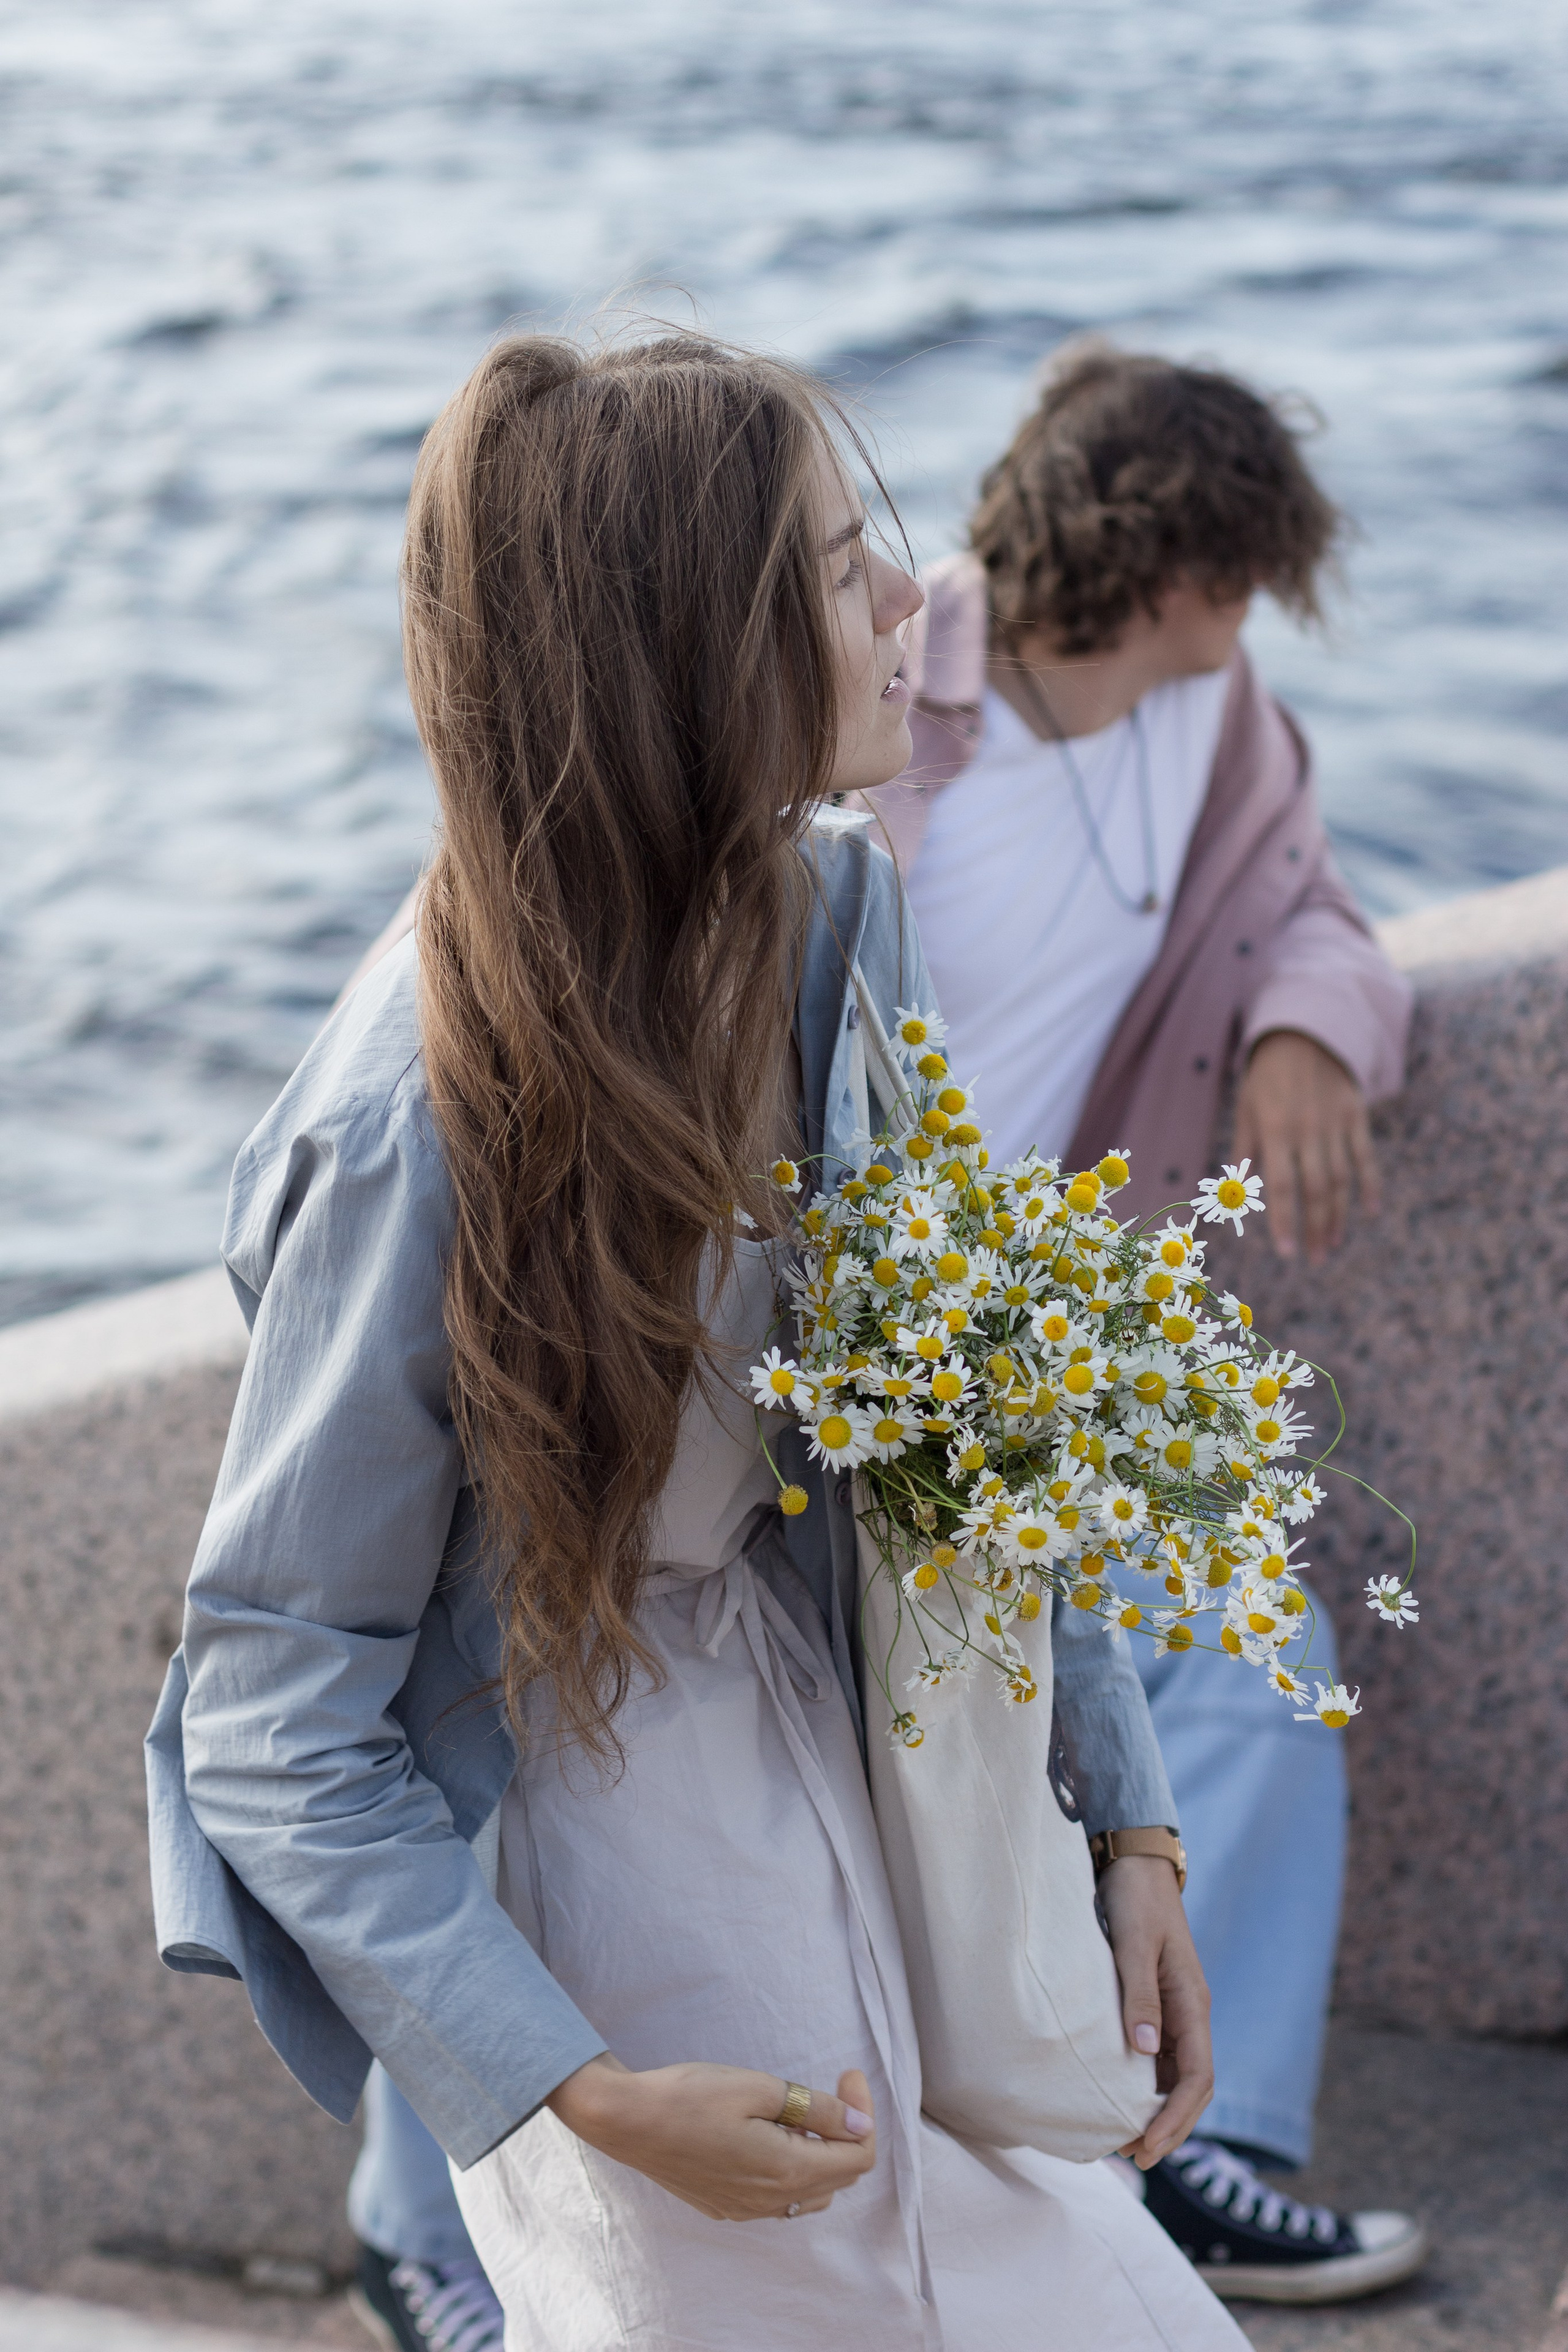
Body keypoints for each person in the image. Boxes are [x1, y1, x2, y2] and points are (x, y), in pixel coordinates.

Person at [145, 330, 1251, 2352]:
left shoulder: (830, 911)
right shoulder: (420, 1112)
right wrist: (583, 2091)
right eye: (843, 574)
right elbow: (267, 1709)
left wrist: (1134, 1816)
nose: (916, 606)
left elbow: (975, 1405)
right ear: (686, 656)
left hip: (871, 1762)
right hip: (604, 1866)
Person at [855, 342, 1426, 2307]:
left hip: (1064, 1327)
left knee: (1271, 1652)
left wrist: (1299, 1027)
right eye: (1249, 571)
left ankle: (1218, 2149)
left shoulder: (1219, 725)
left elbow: (1325, 917)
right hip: (846, 1338)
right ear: (1171, 568)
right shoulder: (887, 700)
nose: (1262, 612)